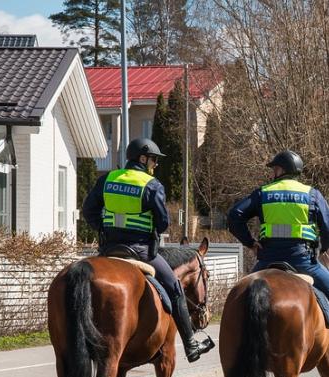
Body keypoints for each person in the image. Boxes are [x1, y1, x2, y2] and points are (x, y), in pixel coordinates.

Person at [83, 137, 214, 362]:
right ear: (143, 159)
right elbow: (162, 222)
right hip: (141, 252)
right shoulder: (151, 185)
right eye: (153, 160)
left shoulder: (107, 180)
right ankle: (191, 345)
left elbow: (88, 210)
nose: (154, 165)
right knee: (174, 287)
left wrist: (103, 227)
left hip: (108, 250)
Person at [228, 149, 329, 298]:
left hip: (268, 259)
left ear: (280, 170)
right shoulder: (312, 194)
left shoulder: (263, 193)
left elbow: (234, 215)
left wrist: (250, 243)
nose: (271, 174)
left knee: (240, 295)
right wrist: (321, 249)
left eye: (273, 169)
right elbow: (327, 227)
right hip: (303, 260)